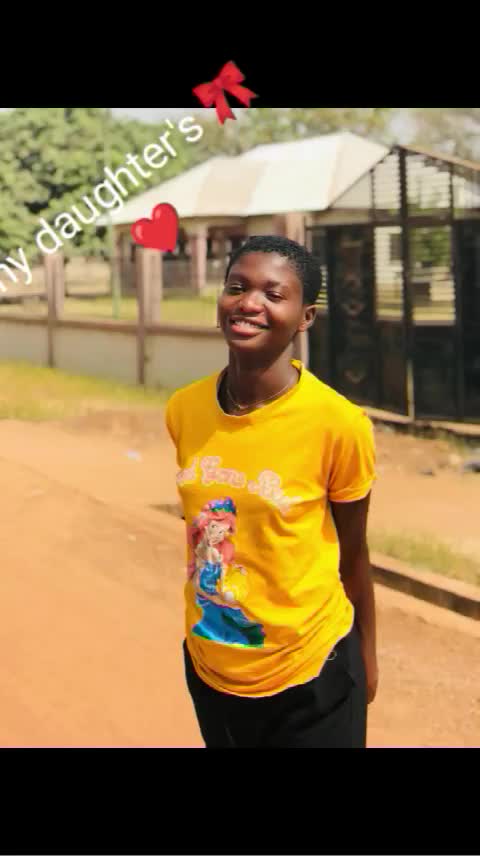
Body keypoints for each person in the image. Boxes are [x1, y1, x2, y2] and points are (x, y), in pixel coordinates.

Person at [165, 235, 378, 748]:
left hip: (311, 669)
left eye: (273, 294)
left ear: (305, 317)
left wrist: (367, 656)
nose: (249, 303)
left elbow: (353, 553)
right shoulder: (185, 410)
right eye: (237, 287)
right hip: (212, 666)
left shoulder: (337, 424)